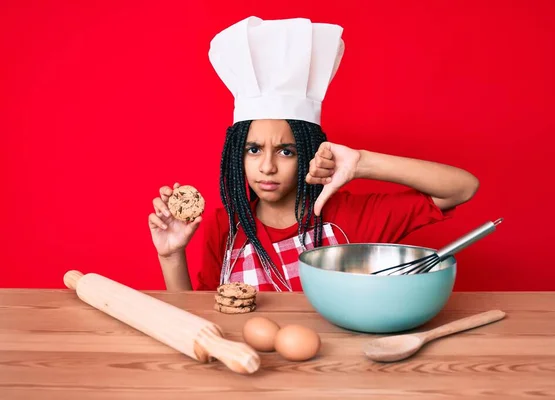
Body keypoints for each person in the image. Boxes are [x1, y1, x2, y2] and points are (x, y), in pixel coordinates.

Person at [148, 17, 479, 292]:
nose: (267, 167)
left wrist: (363, 162)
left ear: (308, 152)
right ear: (238, 155)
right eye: (254, 149)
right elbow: (201, 322)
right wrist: (172, 256)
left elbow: (462, 188)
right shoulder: (226, 225)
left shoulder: (352, 218)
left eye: (286, 151)